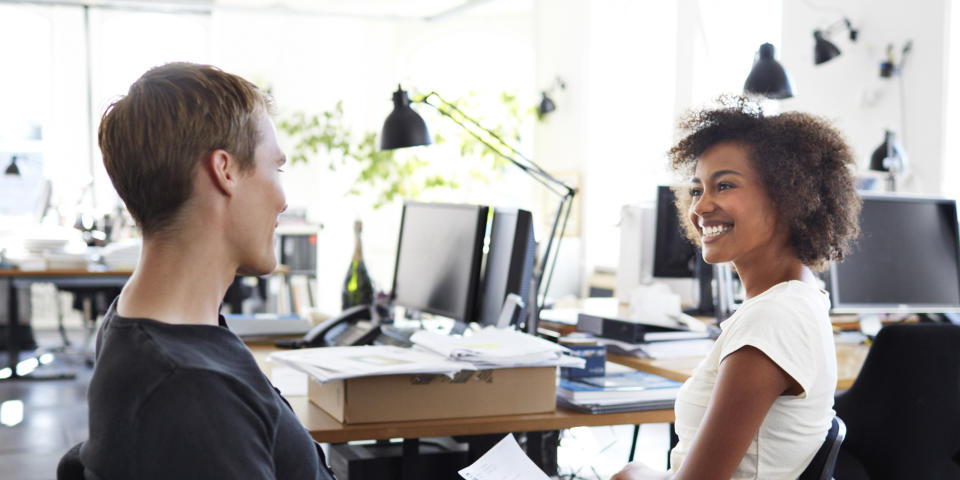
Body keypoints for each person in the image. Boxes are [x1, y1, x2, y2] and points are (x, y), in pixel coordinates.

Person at [79, 62, 337, 479]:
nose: (284, 200)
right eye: (277, 168)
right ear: (225, 170)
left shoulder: (143, 323)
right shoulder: (191, 393)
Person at [612, 97, 860, 480]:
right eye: (696, 190)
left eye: (724, 185)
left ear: (787, 195)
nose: (701, 207)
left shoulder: (772, 319)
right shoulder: (800, 298)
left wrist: (635, 473)